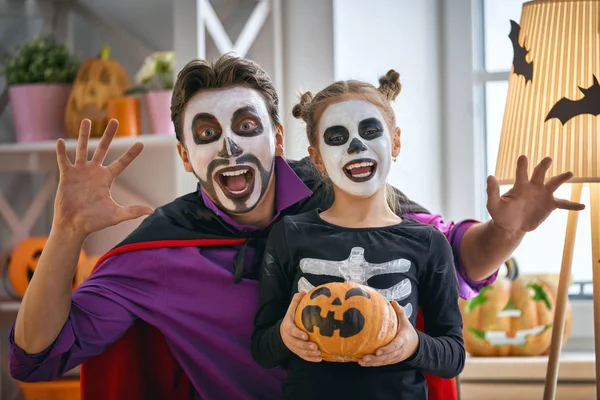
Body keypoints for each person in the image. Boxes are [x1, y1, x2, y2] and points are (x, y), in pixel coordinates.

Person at [8, 55, 583, 400]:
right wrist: (66, 231)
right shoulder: (162, 250)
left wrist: (508, 232)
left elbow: (450, 257)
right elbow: (36, 357)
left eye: (246, 124)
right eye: (206, 133)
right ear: (186, 155)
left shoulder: (340, 190)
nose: (230, 145)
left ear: (277, 140)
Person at [251, 70, 465, 400]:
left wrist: (413, 344)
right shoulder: (289, 234)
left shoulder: (428, 242)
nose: (356, 146)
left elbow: (453, 355)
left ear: (394, 141)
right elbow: (262, 348)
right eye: (336, 137)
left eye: (370, 131)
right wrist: (283, 335)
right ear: (317, 158)